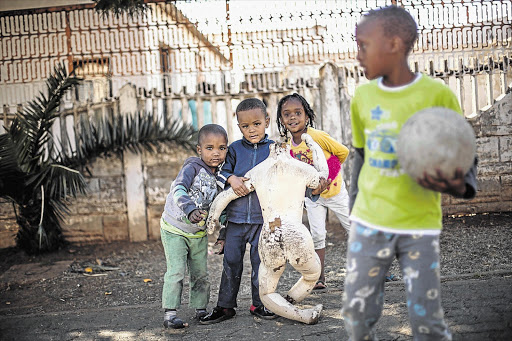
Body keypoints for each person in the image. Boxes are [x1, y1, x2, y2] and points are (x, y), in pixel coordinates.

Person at [342, 5, 477, 340]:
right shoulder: (362, 96)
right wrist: (355, 212)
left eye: (363, 45)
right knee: (356, 315)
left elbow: (464, 151)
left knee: (425, 321)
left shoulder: (437, 95)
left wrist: (462, 187)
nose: (357, 54)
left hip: (419, 226)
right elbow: (360, 156)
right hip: (369, 223)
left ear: (395, 44)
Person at [199, 98, 278, 324]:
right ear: (238, 126)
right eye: (245, 126)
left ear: (267, 121)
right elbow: (220, 173)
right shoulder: (233, 149)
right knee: (231, 262)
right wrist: (231, 178)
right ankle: (225, 306)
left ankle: (260, 303)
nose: (251, 130)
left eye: (256, 124)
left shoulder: (274, 150)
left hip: (262, 220)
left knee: (261, 263)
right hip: (235, 220)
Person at [276, 92, 351, 291]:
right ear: (281, 120)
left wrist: (327, 179)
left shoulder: (316, 136)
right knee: (317, 235)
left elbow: (342, 153)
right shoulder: (287, 147)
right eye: (287, 114)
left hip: (334, 191)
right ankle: (319, 278)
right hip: (313, 197)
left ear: (307, 116)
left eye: (298, 113)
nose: (292, 117)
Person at [160, 124, 228, 329]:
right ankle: (170, 314)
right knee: (177, 271)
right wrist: (189, 209)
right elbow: (177, 189)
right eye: (209, 148)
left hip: (197, 233)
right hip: (174, 229)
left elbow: (222, 206)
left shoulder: (222, 177)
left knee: (200, 274)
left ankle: (200, 309)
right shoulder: (192, 168)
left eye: (221, 148)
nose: (216, 153)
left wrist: (223, 232)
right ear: (199, 150)